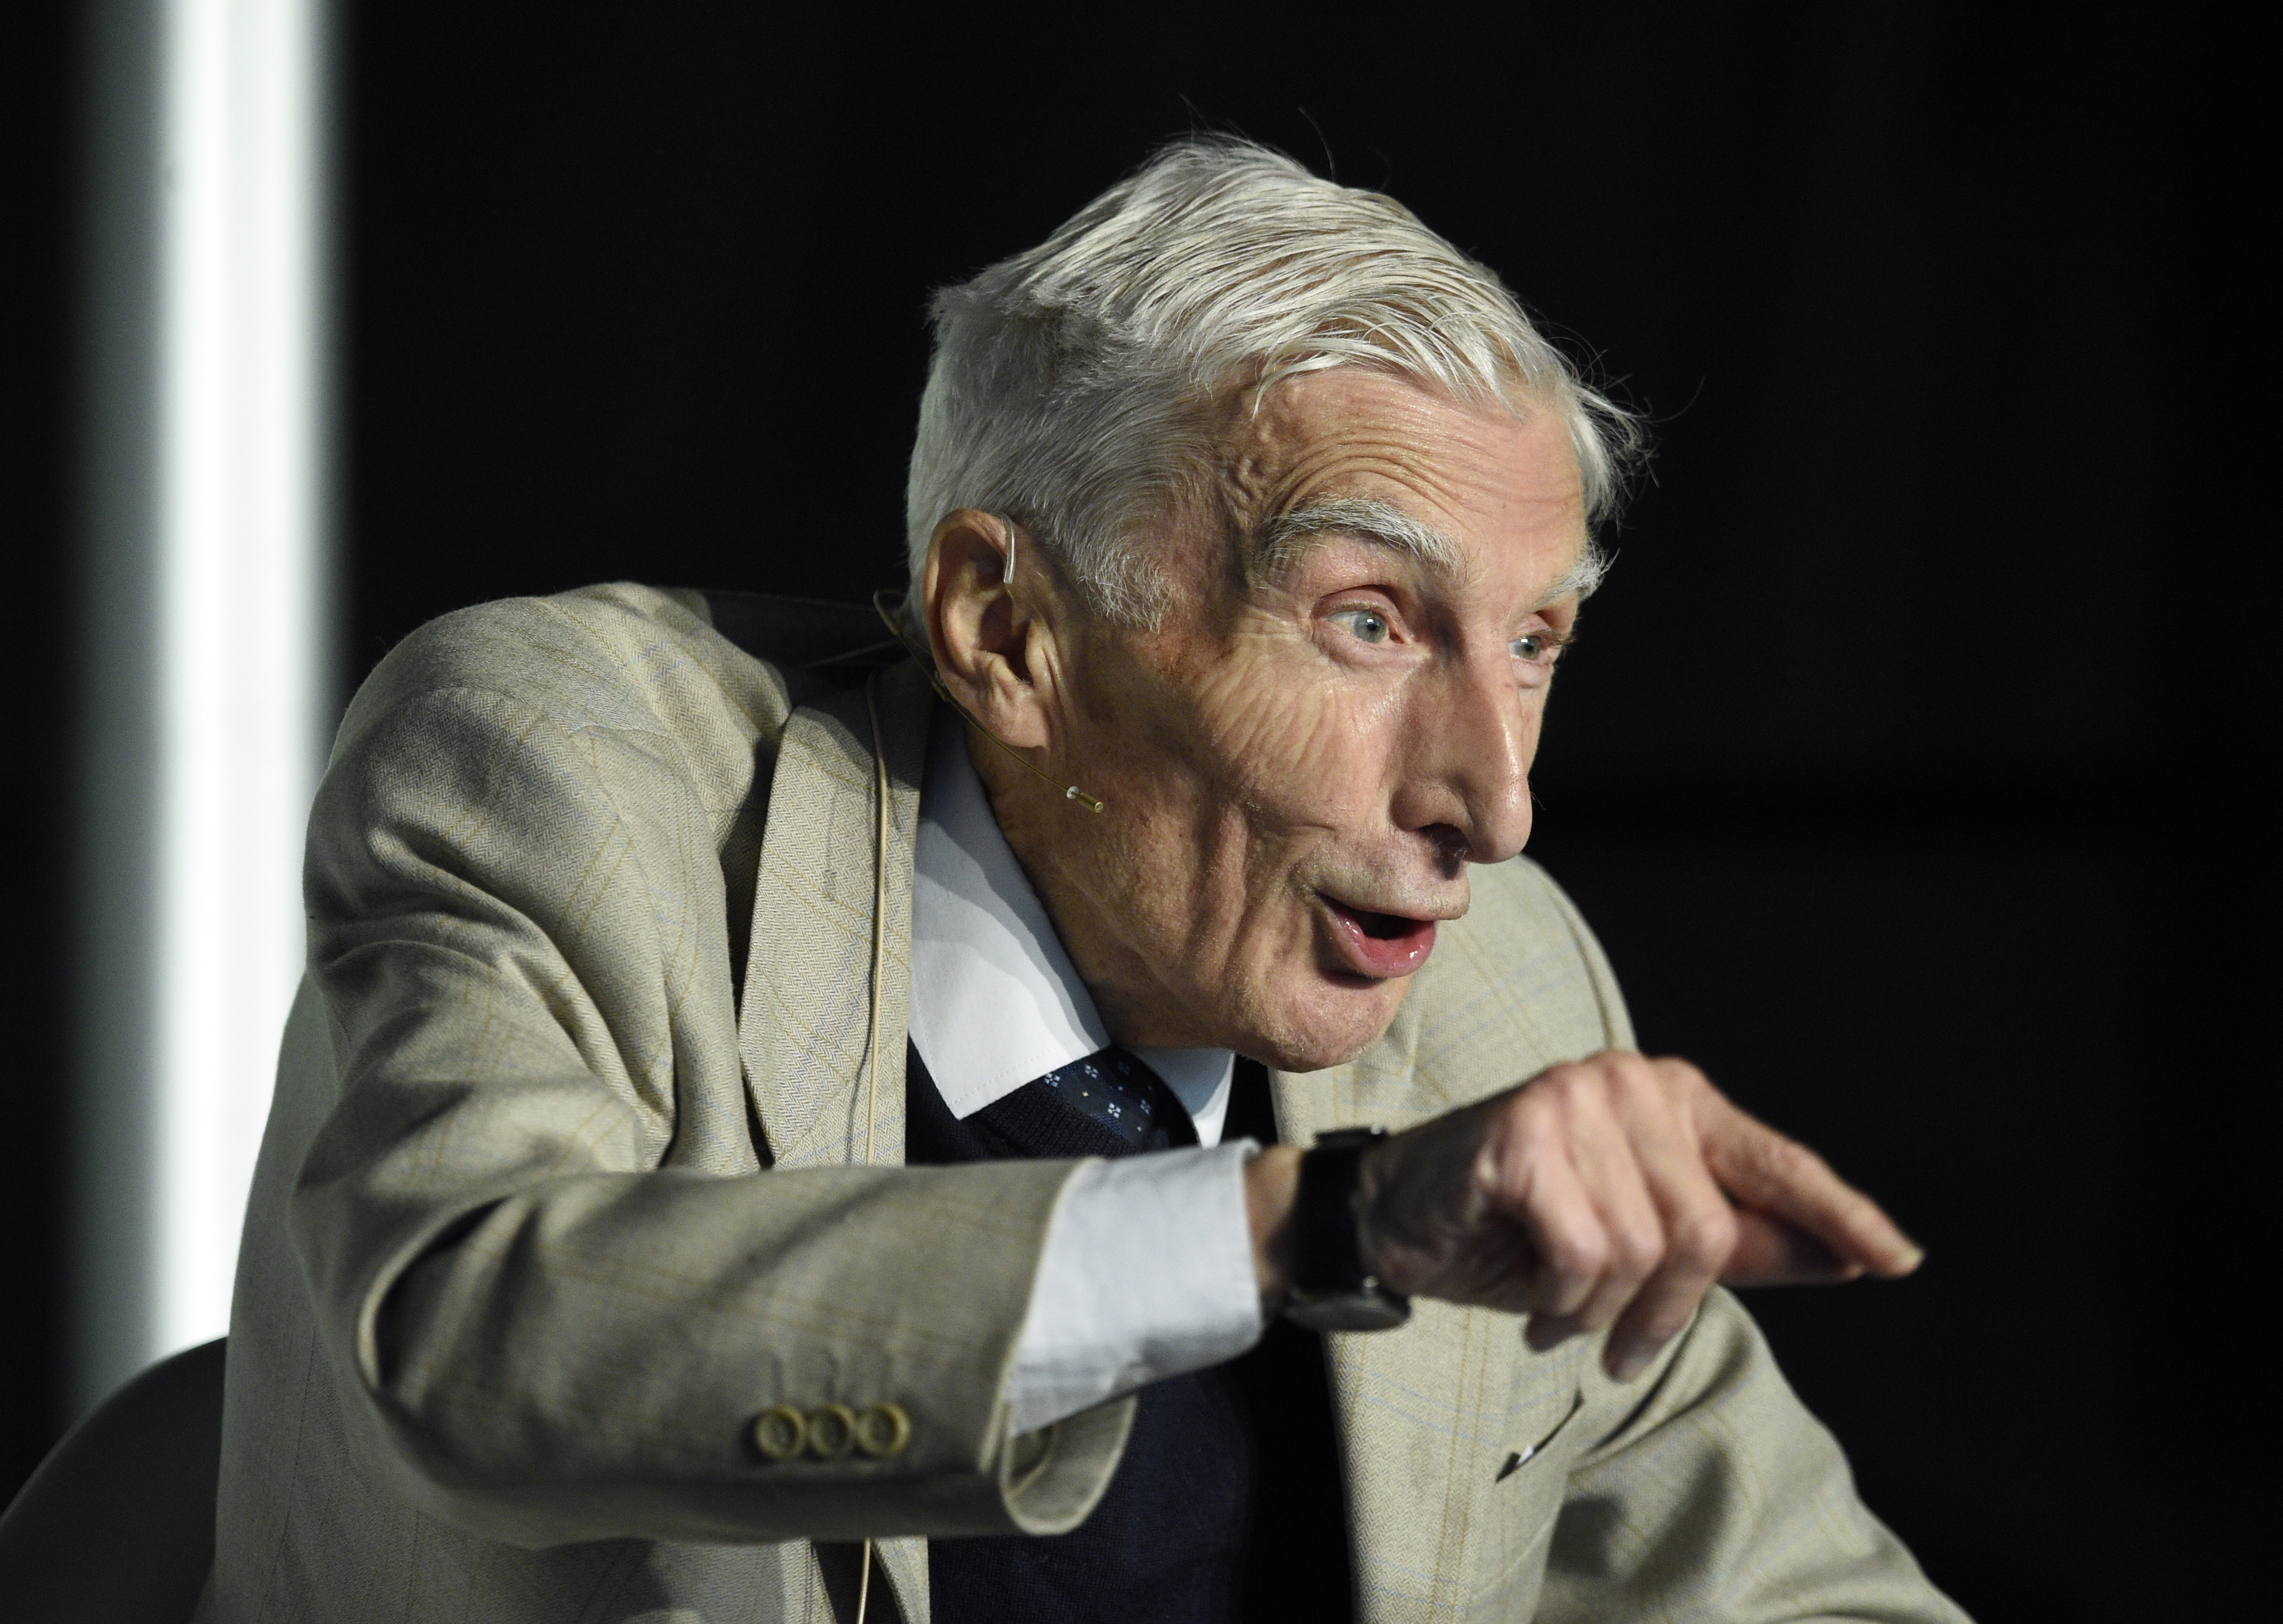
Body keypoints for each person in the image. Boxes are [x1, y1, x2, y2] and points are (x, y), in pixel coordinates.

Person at [205, 138, 1969, 1622]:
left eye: (1532, 643)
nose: (1493, 807)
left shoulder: (1503, 986)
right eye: (1369, 621)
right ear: (1011, 630)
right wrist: (1321, 1229)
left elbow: (1798, 1588)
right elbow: (474, 1330)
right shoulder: (575, 775)